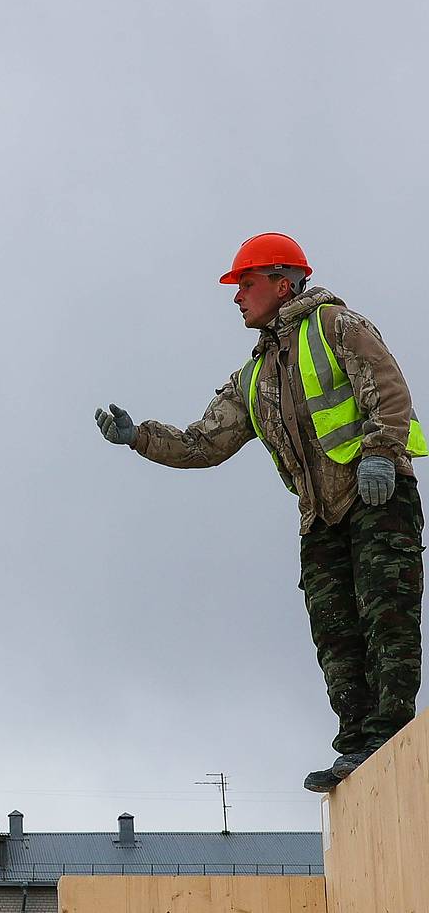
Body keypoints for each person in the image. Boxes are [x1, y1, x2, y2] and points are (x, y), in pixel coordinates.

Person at [95, 233, 425, 792]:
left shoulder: (339, 327)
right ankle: (357, 745)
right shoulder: (255, 376)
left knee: (385, 620)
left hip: (376, 499)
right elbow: (205, 443)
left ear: (281, 281)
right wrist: (138, 438)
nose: (237, 296)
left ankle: (390, 736)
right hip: (321, 516)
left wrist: (382, 456)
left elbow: (388, 392)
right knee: (336, 633)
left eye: (245, 284)